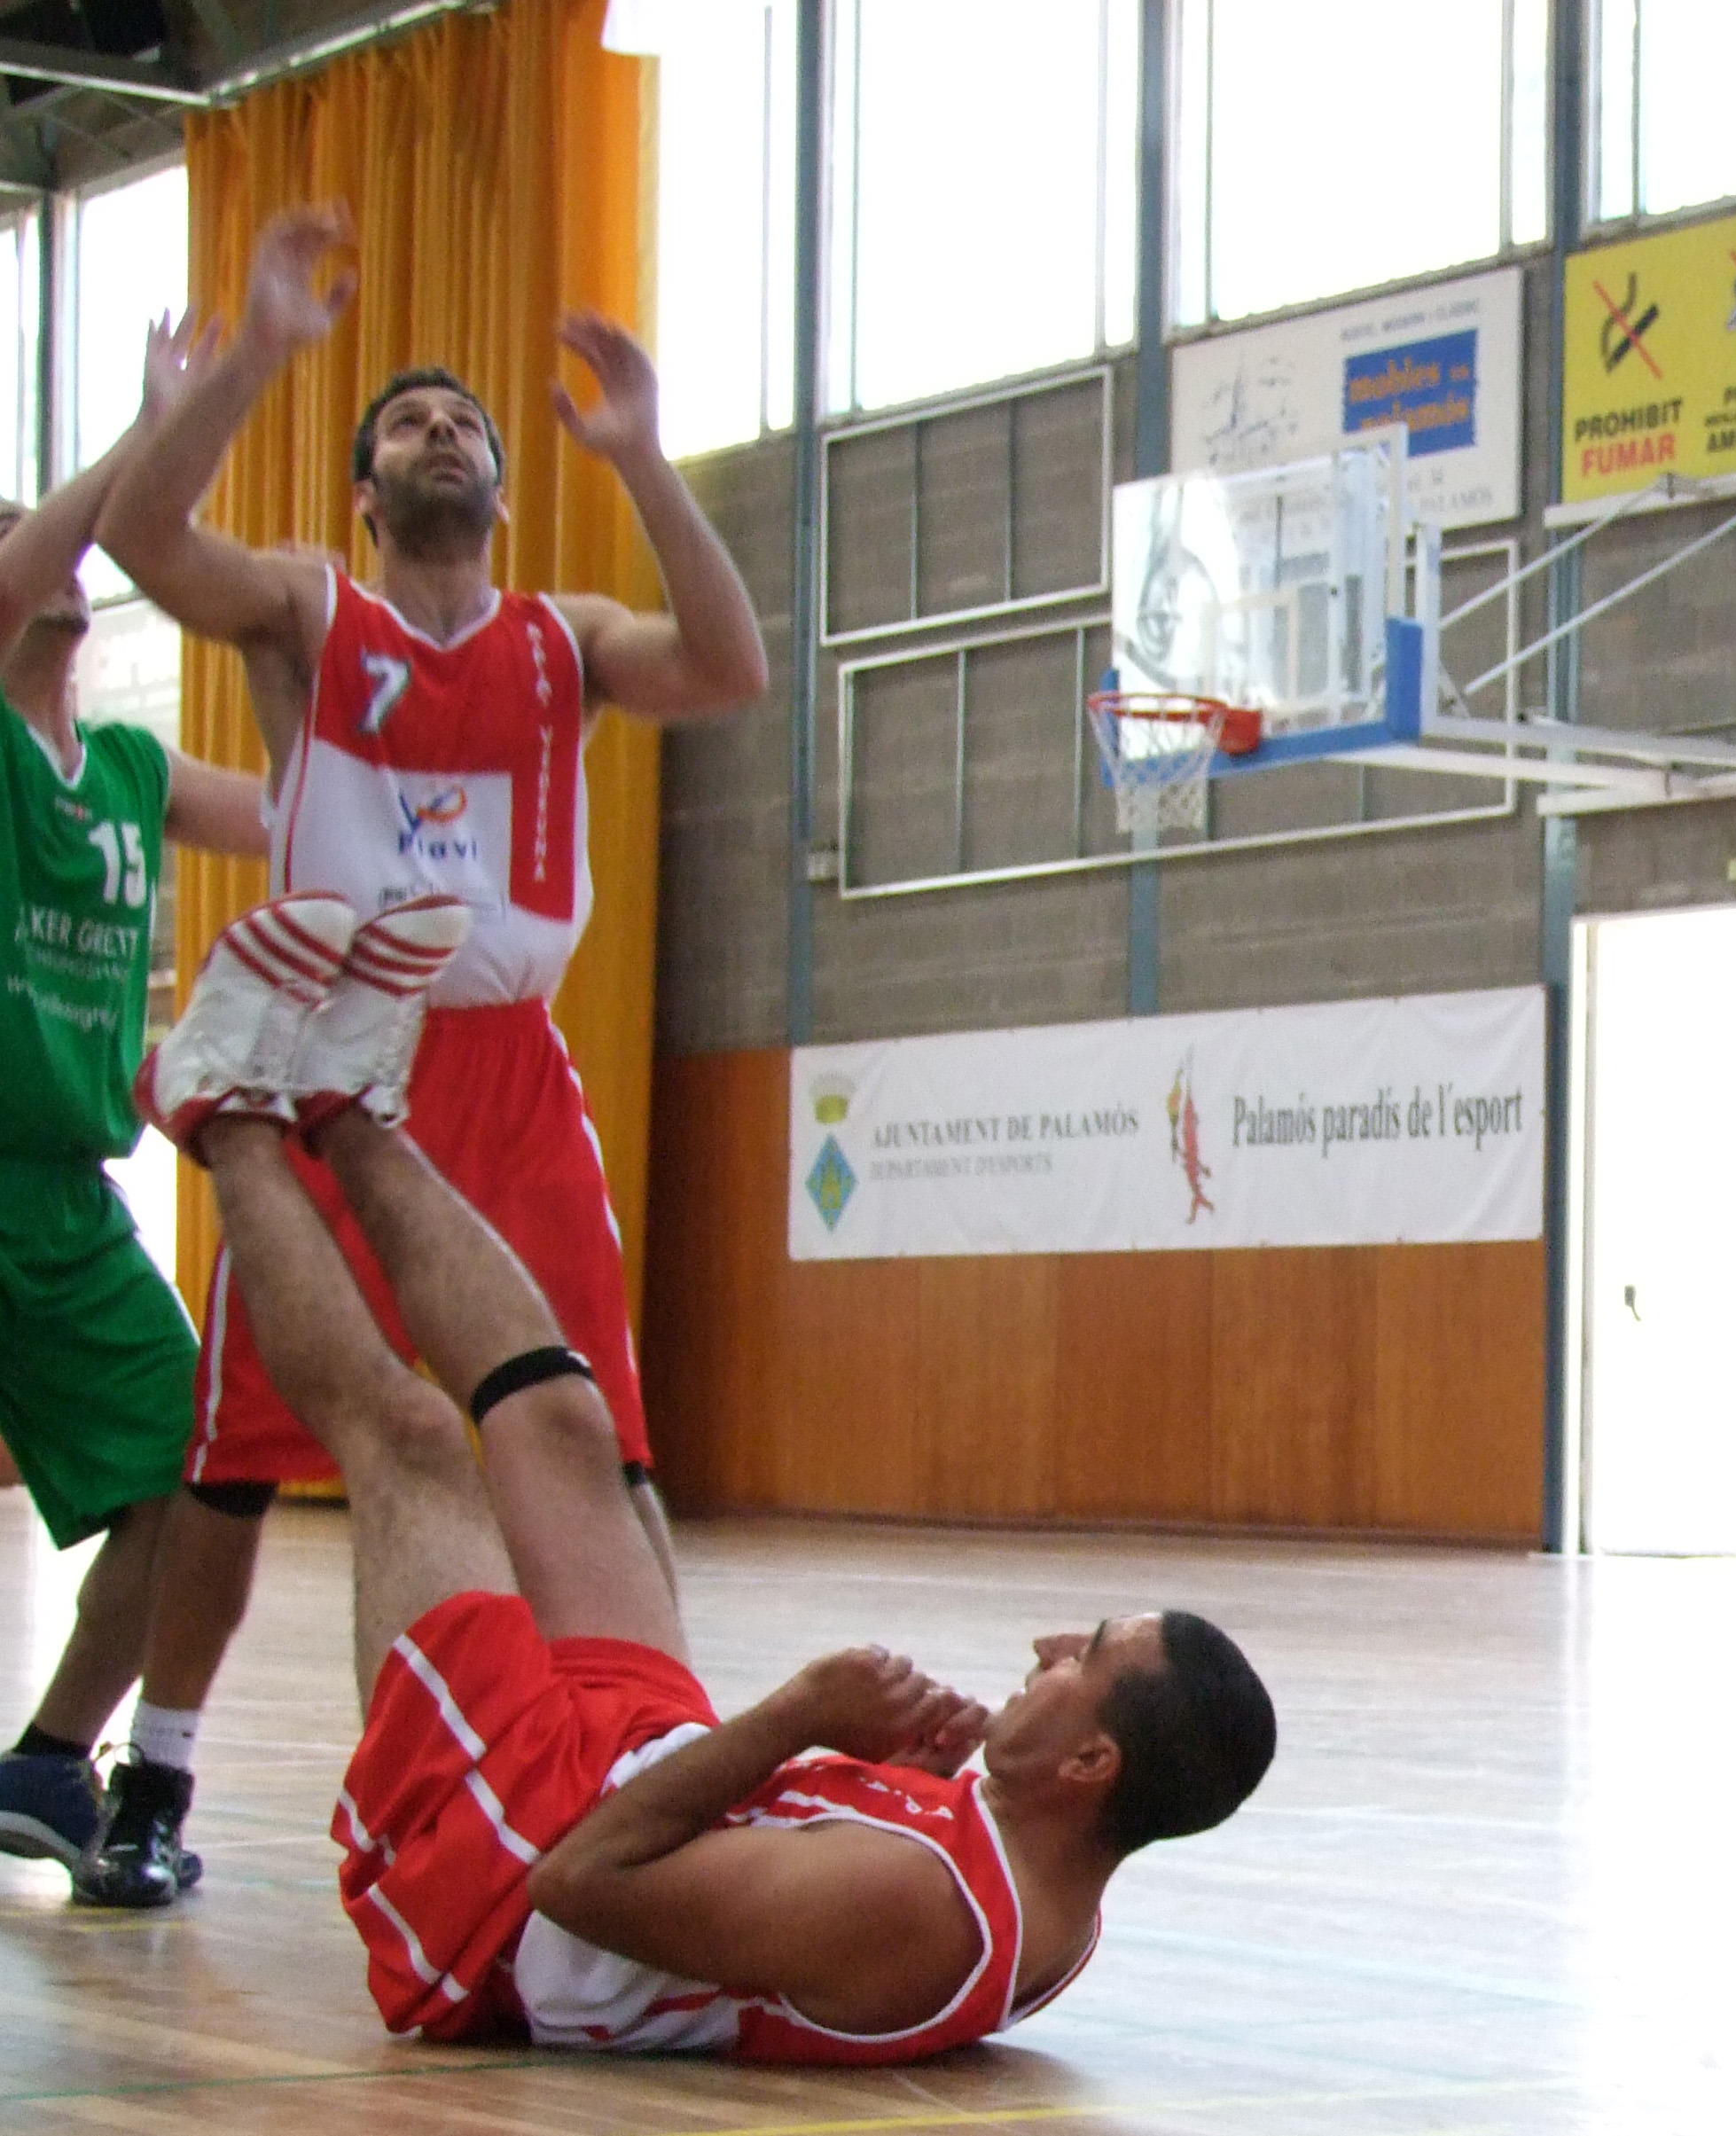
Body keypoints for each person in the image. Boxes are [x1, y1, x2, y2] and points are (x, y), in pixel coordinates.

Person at [137, 890, 1275, 2054]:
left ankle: (221, 1110)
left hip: (499, 1878)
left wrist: (799, 1713)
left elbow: (577, 1884)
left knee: (413, 1442)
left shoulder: (921, 1908)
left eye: (1083, 1656)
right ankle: (343, 1103)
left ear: (1090, 1762)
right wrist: (880, 1766)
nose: (1045, 1650)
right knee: (561, 1415)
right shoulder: (1047, 1880)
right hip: (641, 1779)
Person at [89, 201, 769, 1904]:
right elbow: (148, 538)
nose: (442, 430)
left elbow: (730, 666)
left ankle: (660, 1757)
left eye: (463, 420)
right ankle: (155, 1774)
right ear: (365, 496)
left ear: (502, 491)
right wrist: (254, 352)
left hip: (509, 1069)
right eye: (406, 422)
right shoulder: (307, 612)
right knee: (238, 1453)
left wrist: (646, 456)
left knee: (596, 1430)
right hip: (338, 1052)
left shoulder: (566, 637)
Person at [0, 327, 270, 1902]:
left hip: (61, 1197)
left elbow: (294, 814)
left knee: (196, 1460)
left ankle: (50, 1758)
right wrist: (152, 425)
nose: (48, 562)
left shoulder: (123, 763)